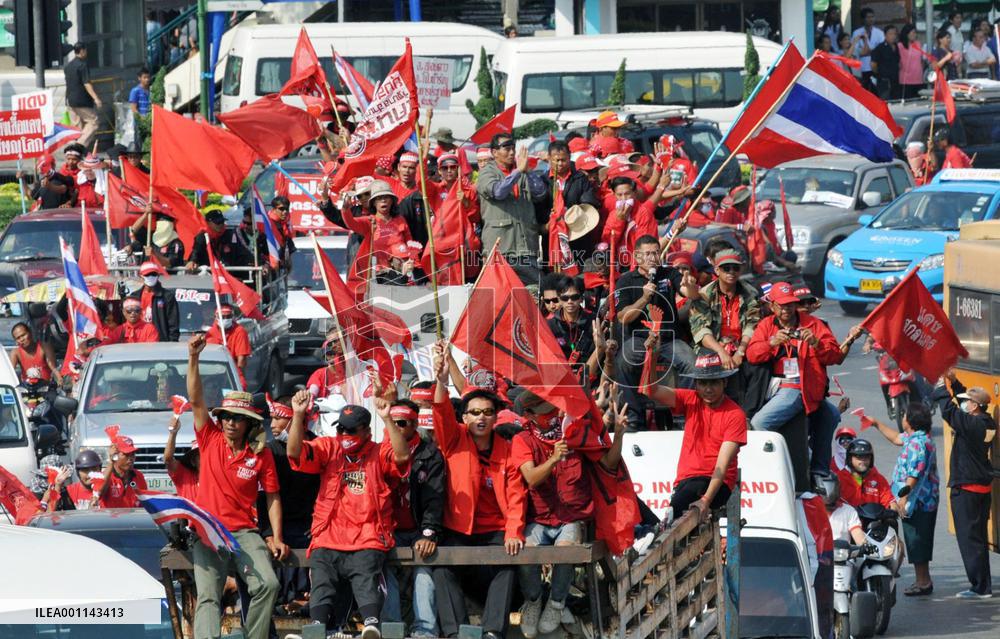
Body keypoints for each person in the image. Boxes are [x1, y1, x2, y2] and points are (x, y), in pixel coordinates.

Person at [287, 388, 410, 639]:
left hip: (367, 533)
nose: (344, 434)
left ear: (367, 431)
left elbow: (402, 455)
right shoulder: (328, 447)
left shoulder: (378, 451)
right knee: (321, 578)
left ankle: (371, 626)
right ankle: (316, 630)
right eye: (341, 428)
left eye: (351, 430)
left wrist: (387, 418)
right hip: (328, 533)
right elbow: (294, 453)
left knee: (365, 576)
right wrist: (298, 416)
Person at [187, 334, 285, 639]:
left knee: (268, 585)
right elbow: (196, 399)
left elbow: (272, 497)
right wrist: (193, 358)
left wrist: (277, 537)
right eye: (226, 417)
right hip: (206, 529)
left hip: (244, 532)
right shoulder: (210, 437)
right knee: (208, 596)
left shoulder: (262, 453)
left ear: (249, 424)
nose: (230, 423)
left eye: (237, 418)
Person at [511, 391, 626, 638]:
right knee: (525, 552)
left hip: (571, 517)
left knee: (567, 550)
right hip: (538, 518)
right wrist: (554, 459)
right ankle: (532, 601)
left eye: (554, 411)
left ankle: (556, 603)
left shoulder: (573, 432)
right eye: (545, 414)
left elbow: (609, 463)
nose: (552, 417)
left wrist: (619, 435)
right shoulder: (522, 440)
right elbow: (530, 478)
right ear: (529, 416)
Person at [431, 341, 525, 639]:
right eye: (474, 412)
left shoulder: (508, 450)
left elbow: (516, 498)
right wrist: (441, 380)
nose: (481, 417)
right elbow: (441, 412)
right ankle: (455, 633)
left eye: (487, 412)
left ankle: (492, 633)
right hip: (459, 529)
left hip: (495, 530)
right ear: (465, 417)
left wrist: (513, 532)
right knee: (442, 569)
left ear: (496, 417)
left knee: (508, 562)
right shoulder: (453, 440)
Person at [643, 350, 747, 520]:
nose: (708, 389)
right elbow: (651, 390)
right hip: (686, 482)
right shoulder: (690, 399)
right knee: (672, 520)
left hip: (715, 484)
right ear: (696, 384)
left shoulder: (735, 414)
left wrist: (705, 500)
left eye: (713, 383)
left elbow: (722, 464)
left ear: (724, 382)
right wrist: (653, 355)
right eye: (702, 383)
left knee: (675, 513)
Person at [614, 235, 699, 430]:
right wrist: (644, 298)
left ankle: (683, 416)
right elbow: (623, 317)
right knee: (624, 361)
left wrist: (690, 286)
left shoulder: (669, 274)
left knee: (692, 365)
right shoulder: (626, 280)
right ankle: (634, 417)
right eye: (648, 253)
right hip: (640, 339)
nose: (653, 257)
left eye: (656, 252)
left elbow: (689, 293)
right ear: (636, 256)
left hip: (669, 339)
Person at [380, 399, 446, 638]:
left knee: (424, 566)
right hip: (390, 529)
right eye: (391, 423)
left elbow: (434, 498)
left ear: (414, 424)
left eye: (401, 423)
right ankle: (391, 628)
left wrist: (429, 532)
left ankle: (425, 630)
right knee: (380, 562)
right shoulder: (381, 452)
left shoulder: (431, 455)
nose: (395, 428)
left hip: (419, 528)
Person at [258, 392, 320, 620]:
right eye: (271, 419)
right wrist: (269, 535)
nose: (272, 425)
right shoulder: (269, 451)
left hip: (312, 526)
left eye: (278, 419)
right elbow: (263, 497)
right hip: (278, 527)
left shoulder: (317, 447)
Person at [932, 371, 994, 599]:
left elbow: (949, 411)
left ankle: (979, 587)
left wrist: (940, 387)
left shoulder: (973, 425)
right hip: (978, 489)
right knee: (976, 539)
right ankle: (982, 584)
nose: (964, 403)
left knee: (970, 540)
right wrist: (954, 381)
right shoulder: (984, 421)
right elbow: (959, 404)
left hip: (967, 489)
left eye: (968, 401)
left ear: (975, 406)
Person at [869, 402, 939, 596]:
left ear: (911, 420)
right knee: (916, 539)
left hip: (919, 501)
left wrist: (903, 497)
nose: (902, 418)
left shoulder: (918, 443)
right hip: (919, 500)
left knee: (917, 540)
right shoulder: (915, 437)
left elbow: (914, 474)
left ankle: (923, 582)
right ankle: (922, 580)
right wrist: (875, 423)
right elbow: (896, 438)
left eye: (905, 415)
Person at [688, 249, 760, 402]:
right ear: (717, 270)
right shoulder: (704, 294)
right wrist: (722, 352)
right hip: (713, 346)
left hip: (741, 345)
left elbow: (752, 325)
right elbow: (701, 330)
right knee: (710, 362)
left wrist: (740, 351)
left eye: (735, 268)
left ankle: (749, 412)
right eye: (726, 268)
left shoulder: (750, 293)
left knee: (760, 363)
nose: (731, 272)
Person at [477, 133, 547, 282]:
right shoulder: (486, 173)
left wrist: (528, 171)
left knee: (534, 291)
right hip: (500, 248)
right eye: (506, 148)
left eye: (513, 148)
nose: (511, 152)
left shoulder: (522, 170)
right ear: (494, 152)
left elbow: (540, 193)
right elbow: (498, 192)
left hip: (526, 246)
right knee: (501, 295)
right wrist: (518, 172)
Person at [343, 180, 412, 272]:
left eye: (386, 197)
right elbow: (351, 223)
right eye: (379, 198)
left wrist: (414, 263)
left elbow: (410, 244)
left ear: (392, 201)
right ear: (374, 203)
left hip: (401, 273)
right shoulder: (369, 221)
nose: (383, 200)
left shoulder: (400, 220)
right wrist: (345, 210)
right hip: (377, 274)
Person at [547, 275, 600, 382]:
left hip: (588, 377)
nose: (570, 301)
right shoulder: (550, 325)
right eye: (565, 298)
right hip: (559, 378)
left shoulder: (594, 321)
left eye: (574, 297)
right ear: (559, 299)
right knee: (518, 398)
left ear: (581, 298)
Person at [835, 438, 896, 510]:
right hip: (846, 519)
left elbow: (888, 500)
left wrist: (893, 506)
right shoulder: (838, 479)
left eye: (867, 457)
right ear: (850, 458)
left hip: (874, 520)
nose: (863, 460)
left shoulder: (879, 479)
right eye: (858, 457)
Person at [63, 43, 102, 148]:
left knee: (77, 127)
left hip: (70, 100)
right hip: (81, 100)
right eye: (85, 50)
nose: (86, 52)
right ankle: (79, 146)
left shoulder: (68, 66)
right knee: (94, 121)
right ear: (82, 51)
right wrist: (96, 98)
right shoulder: (82, 65)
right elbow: (86, 83)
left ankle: (74, 152)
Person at [187, 210, 253, 271]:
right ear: (208, 223)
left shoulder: (230, 234)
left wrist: (251, 261)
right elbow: (196, 251)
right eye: (217, 222)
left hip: (229, 272)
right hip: (210, 274)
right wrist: (192, 261)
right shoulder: (202, 237)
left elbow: (241, 252)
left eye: (222, 221)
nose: (221, 225)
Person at [96, 432, 148, 508]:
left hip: (132, 519)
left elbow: (144, 503)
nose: (130, 458)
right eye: (126, 454)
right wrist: (111, 461)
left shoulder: (138, 476)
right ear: (115, 456)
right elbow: (99, 493)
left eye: (132, 454)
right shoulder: (107, 476)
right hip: (109, 519)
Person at [205, 304, 252, 388]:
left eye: (228, 316)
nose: (226, 319)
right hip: (212, 375)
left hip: (232, 374)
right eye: (223, 317)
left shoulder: (239, 331)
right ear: (216, 317)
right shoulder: (210, 333)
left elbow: (241, 361)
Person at [137, 261, 180, 342]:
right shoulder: (135, 296)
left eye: (154, 274)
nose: (151, 277)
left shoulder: (167, 296)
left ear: (158, 275)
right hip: (139, 341)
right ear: (141, 276)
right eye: (147, 274)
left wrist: (172, 343)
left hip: (160, 342)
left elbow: (173, 324)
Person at [164, 413, 199, 502]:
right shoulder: (184, 475)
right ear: (193, 461)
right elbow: (168, 459)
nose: (205, 458)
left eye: (206, 455)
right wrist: (173, 433)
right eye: (199, 456)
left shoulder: (217, 477)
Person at [852, 8, 885, 93]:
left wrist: (867, 52)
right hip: (862, 67)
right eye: (868, 17)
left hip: (875, 66)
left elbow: (881, 50)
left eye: (872, 17)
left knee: (876, 91)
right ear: (863, 19)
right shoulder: (857, 33)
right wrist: (870, 51)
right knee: (864, 91)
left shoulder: (879, 33)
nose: (871, 19)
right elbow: (856, 51)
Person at [871, 25, 901, 99]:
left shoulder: (897, 47)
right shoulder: (879, 48)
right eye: (890, 34)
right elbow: (873, 65)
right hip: (884, 81)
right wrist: (881, 73)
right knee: (885, 100)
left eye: (895, 34)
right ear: (885, 35)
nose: (893, 36)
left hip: (895, 80)